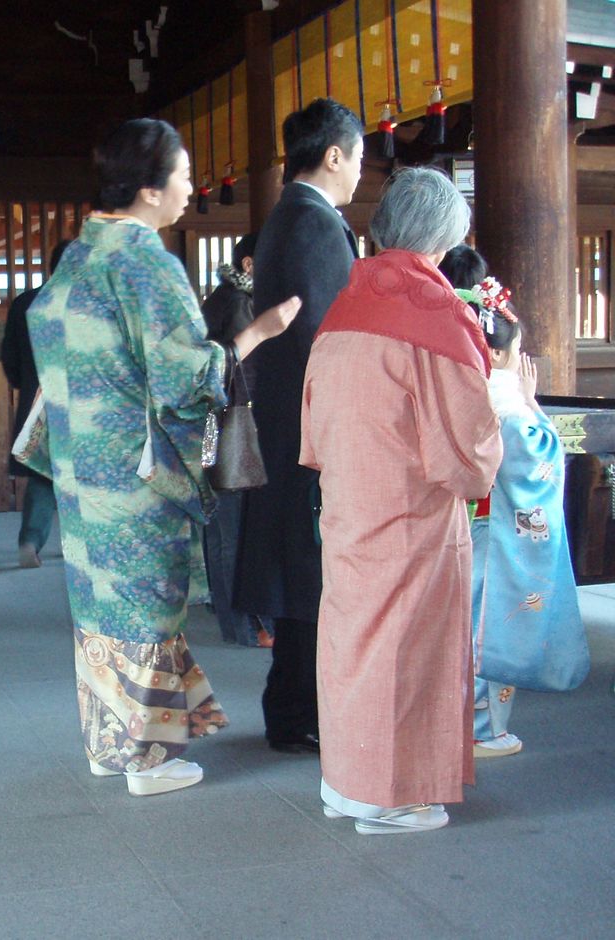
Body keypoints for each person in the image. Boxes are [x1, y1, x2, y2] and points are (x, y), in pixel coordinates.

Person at [26, 118, 300, 796]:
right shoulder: (146, 261)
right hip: (137, 472)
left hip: (82, 464)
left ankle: (110, 743)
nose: (188, 189)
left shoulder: (80, 255)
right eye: (181, 176)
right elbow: (183, 378)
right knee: (148, 603)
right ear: (150, 190)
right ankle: (146, 759)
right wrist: (257, 333)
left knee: (98, 606)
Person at [300, 167, 503, 833]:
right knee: (407, 651)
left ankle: (345, 782)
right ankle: (390, 794)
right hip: (412, 513)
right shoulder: (437, 315)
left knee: (353, 641)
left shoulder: (344, 306)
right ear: (445, 237)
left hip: (351, 502)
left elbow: (315, 420)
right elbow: (468, 449)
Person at [234, 97, 364, 754]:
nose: (360, 172)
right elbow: (330, 335)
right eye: (359, 157)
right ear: (335, 154)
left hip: (289, 423)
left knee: (300, 575)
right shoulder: (313, 224)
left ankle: (291, 709)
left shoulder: (290, 215)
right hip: (311, 429)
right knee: (311, 575)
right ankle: (297, 713)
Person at [460, 277, 589, 757]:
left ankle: (456, 726)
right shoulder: (511, 409)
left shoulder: (463, 392)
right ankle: (483, 730)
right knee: (491, 627)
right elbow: (537, 467)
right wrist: (534, 406)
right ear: (495, 355)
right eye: (517, 350)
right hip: (494, 534)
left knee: (461, 626)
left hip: (461, 526)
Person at [201, 233, 272, 649]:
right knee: (235, 527)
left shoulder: (223, 298)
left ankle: (233, 619)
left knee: (221, 525)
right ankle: (246, 626)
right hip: (236, 423)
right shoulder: (243, 304)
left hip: (214, 422)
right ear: (249, 264)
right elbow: (249, 370)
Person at [1, 240, 70, 568]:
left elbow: (10, 358)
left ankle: (30, 541)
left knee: (44, 476)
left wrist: (25, 386)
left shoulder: (26, 304)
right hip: (84, 406)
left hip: (39, 401)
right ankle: (80, 545)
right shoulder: (91, 306)